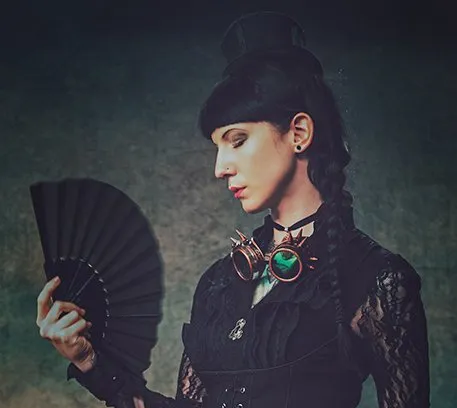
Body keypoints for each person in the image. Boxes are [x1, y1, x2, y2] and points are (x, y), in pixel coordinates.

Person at [36, 12, 430, 408]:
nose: (220, 167)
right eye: (217, 147)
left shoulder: (377, 279)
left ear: (299, 133)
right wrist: (89, 361)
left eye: (237, 140)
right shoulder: (219, 283)